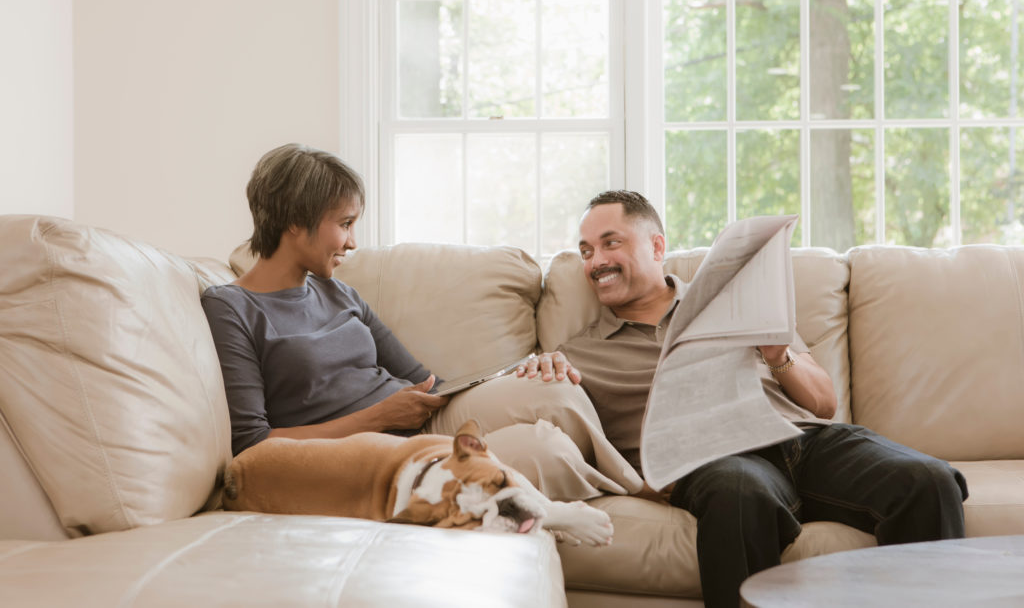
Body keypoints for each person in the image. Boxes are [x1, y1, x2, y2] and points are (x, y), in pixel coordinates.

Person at [555, 190, 968, 608]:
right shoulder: (577, 355)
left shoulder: (733, 301)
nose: (596, 262)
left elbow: (824, 404)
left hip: (803, 440)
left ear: (657, 246)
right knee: (737, 493)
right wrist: (540, 371)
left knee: (927, 480)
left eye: (611, 243)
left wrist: (778, 356)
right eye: (586, 251)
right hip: (718, 461)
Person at [200, 144, 643, 505]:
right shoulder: (230, 308)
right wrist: (377, 417)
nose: (353, 242)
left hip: (424, 422)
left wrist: (503, 379)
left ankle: (644, 484)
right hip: (374, 452)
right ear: (296, 222)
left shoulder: (339, 292)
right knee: (548, 451)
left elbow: (427, 382)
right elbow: (253, 445)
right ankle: (633, 488)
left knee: (553, 389)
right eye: (345, 224)